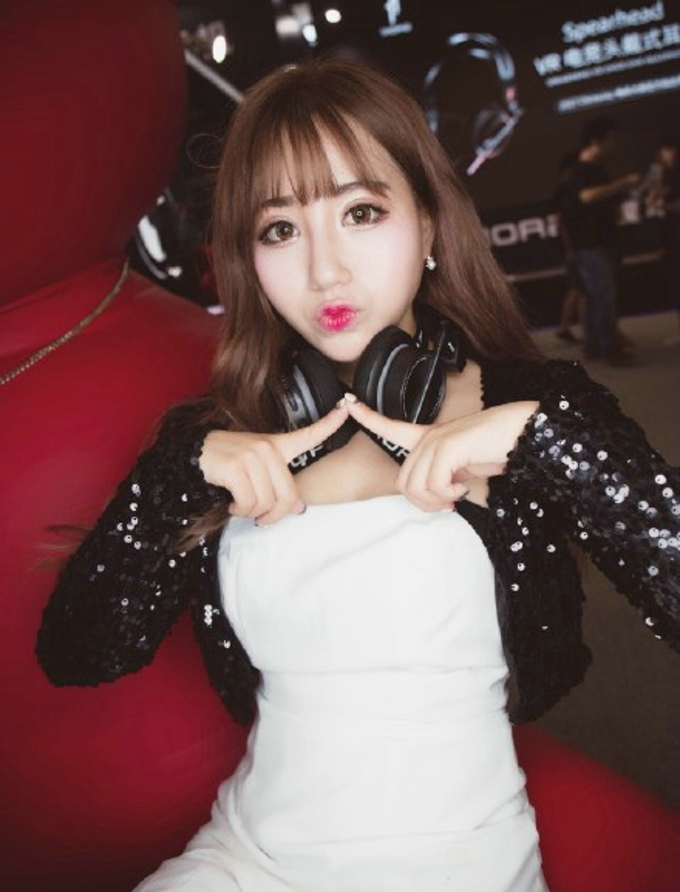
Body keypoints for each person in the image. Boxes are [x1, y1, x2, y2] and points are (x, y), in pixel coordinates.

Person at [35, 60, 679, 892]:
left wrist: (551, 440)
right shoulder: (218, 442)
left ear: (430, 225)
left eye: (362, 212)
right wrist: (179, 475)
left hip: (457, 865)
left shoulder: (531, 411)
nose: (325, 271)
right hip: (243, 860)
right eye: (280, 229)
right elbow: (80, 652)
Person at [558, 117, 641, 364]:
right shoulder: (580, 171)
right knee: (602, 297)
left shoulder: (596, 169)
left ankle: (595, 347)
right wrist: (623, 183)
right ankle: (607, 348)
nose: (613, 145)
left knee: (598, 297)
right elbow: (586, 196)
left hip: (601, 241)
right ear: (596, 141)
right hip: (590, 244)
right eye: (610, 140)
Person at [640, 139, 680, 345]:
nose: (665, 156)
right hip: (672, 238)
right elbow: (651, 198)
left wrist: (662, 204)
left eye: (669, 151)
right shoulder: (662, 175)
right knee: (675, 283)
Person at [553, 150, 584, 344]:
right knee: (576, 287)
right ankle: (565, 327)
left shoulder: (564, 189)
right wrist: (570, 248)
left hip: (575, 246)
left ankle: (576, 327)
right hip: (574, 247)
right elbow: (562, 223)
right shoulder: (565, 190)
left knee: (578, 288)